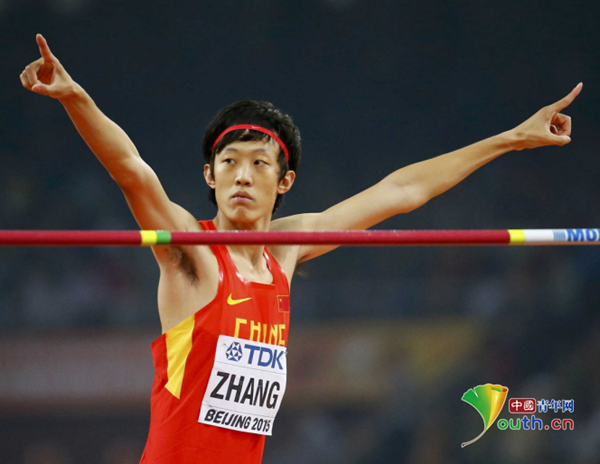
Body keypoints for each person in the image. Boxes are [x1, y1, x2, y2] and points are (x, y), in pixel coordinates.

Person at [19, 33, 581, 464]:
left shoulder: (285, 252)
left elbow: (401, 192)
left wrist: (513, 138)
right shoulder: (190, 251)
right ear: (210, 176)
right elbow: (131, 171)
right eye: (229, 163)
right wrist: (74, 97)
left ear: (283, 182)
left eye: (258, 164)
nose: (242, 176)